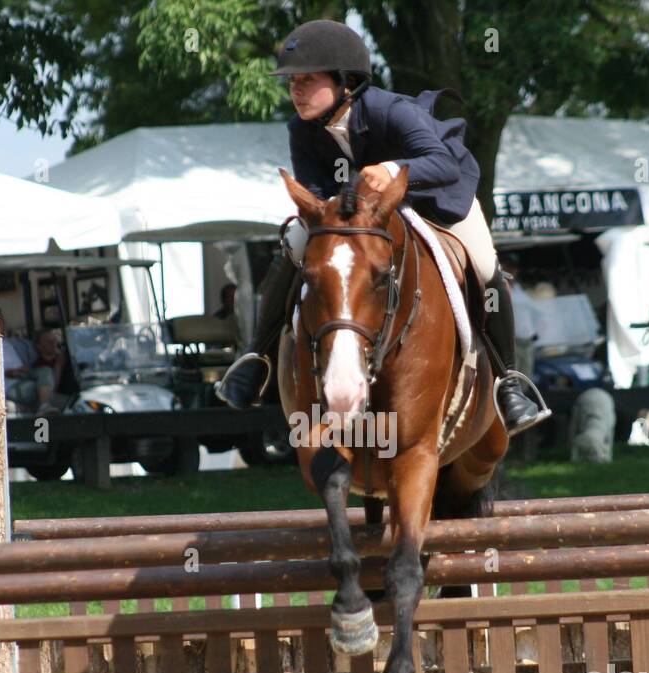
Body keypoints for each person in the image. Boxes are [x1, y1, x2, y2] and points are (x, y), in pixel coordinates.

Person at [214, 19, 549, 436]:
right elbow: (317, 191)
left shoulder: (392, 110)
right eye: (292, 82)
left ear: (345, 82)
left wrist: (392, 169)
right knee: (295, 247)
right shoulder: (301, 128)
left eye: (306, 80)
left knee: (484, 267)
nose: (295, 90)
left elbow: (442, 163)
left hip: (439, 200)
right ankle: (256, 359)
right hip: (363, 219)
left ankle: (509, 380)